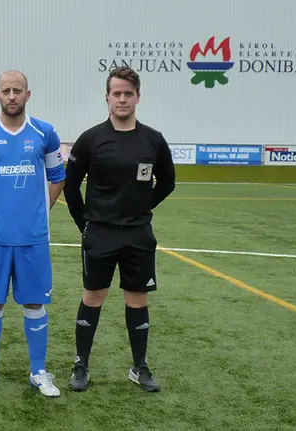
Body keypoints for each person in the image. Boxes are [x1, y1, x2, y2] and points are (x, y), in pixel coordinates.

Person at [63, 66, 175, 393]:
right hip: (99, 233)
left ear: (138, 97)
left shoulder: (153, 140)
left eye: (128, 93)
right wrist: (85, 223)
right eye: (117, 93)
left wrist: (142, 207)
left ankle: (139, 367)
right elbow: (71, 188)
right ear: (107, 97)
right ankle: (81, 364)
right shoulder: (91, 139)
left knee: (137, 300)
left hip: (138, 235)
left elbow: (167, 183)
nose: (122, 99)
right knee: (93, 297)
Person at [0, 70, 66, 398]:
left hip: (33, 236)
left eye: (17, 90)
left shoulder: (44, 133)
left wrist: (39, 211)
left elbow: (58, 176)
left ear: (27, 94)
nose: (11, 96)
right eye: (5, 90)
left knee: (34, 302)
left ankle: (38, 371)